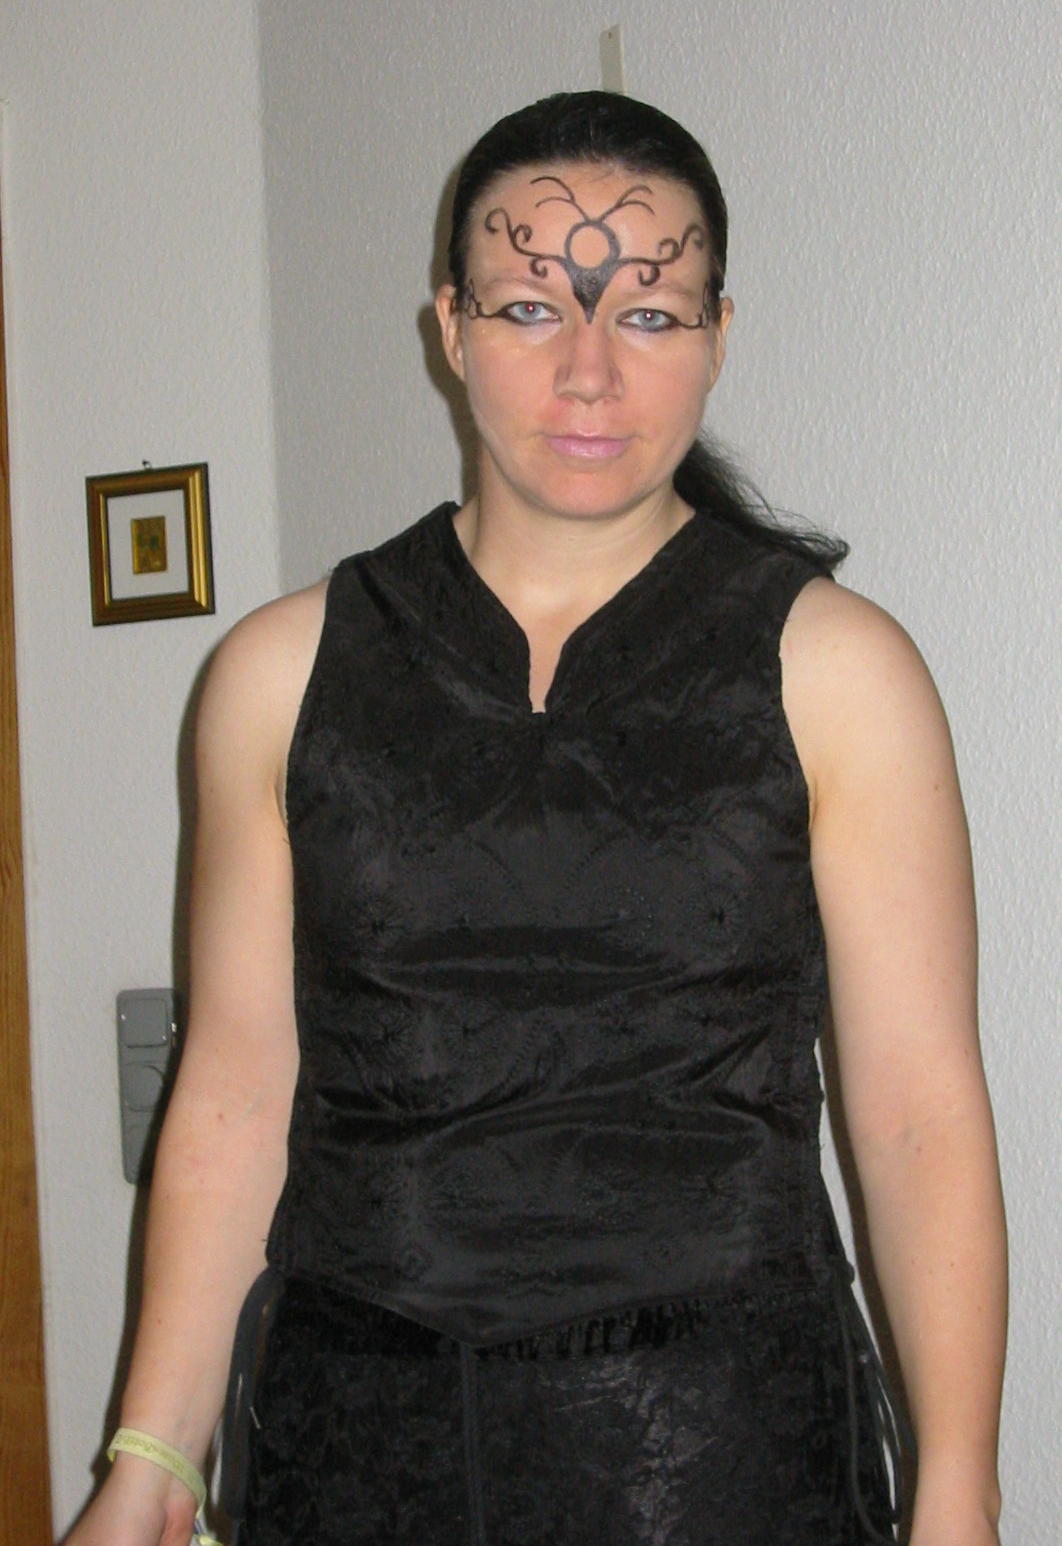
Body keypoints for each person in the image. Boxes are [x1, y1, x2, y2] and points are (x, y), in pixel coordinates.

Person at [66, 91, 1006, 1546]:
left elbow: (918, 1112)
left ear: (719, 336)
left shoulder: (839, 671)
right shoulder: (277, 674)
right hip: (350, 1453)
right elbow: (239, 1090)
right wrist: (149, 1465)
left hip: (725, 1461)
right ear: (448, 330)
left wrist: (958, 1492)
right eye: (526, 309)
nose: (589, 374)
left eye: (649, 316)